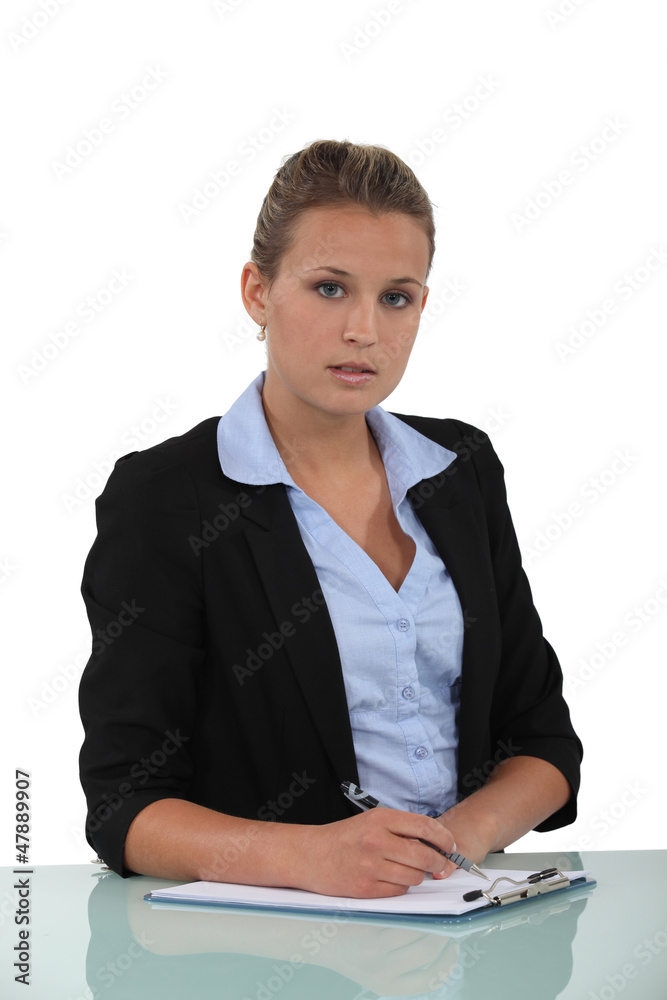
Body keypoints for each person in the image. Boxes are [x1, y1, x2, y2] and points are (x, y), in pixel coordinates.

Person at [78, 138, 582, 899]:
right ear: (257, 292)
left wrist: (446, 846)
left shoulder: (461, 467)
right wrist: (310, 856)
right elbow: (124, 807)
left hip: (464, 913)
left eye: (395, 297)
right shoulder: (166, 496)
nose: (363, 331)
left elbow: (542, 740)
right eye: (329, 288)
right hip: (266, 937)